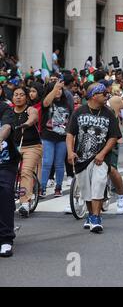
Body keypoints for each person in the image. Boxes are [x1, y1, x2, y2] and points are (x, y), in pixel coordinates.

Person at [67, 83, 122, 233]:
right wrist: (70, 152)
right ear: (94, 95)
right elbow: (70, 133)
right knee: (86, 190)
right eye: (104, 93)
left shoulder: (108, 113)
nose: (106, 96)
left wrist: (102, 153)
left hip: (100, 158)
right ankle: (91, 214)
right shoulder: (79, 112)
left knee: (98, 184)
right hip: (82, 158)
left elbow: (113, 136)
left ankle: (96, 217)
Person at [40, 80, 73, 198]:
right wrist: (55, 88)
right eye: (55, 89)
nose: (58, 91)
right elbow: (45, 103)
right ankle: (42, 187)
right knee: (47, 162)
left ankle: (58, 187)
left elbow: (70, 121)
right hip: (48, 137)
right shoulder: (47, 102)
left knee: (59, 164)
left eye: (60, 89)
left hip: (62, 138)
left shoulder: (67, 103)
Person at [12, 87, 42, 217]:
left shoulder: (31, 109)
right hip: (13, 147)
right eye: (16, 95)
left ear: (26, 97)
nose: (18, 97)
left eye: (21, 95)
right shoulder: (8, 112)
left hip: (32, 147)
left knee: (25, 171)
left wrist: (27, 124)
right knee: (7, 173)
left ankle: (25, 203)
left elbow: (34, 117)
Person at [0, 100, 20, 257]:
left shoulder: (5, 108)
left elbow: (6, 127)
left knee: (5, 192)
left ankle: (6, 239)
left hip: (5, 162)